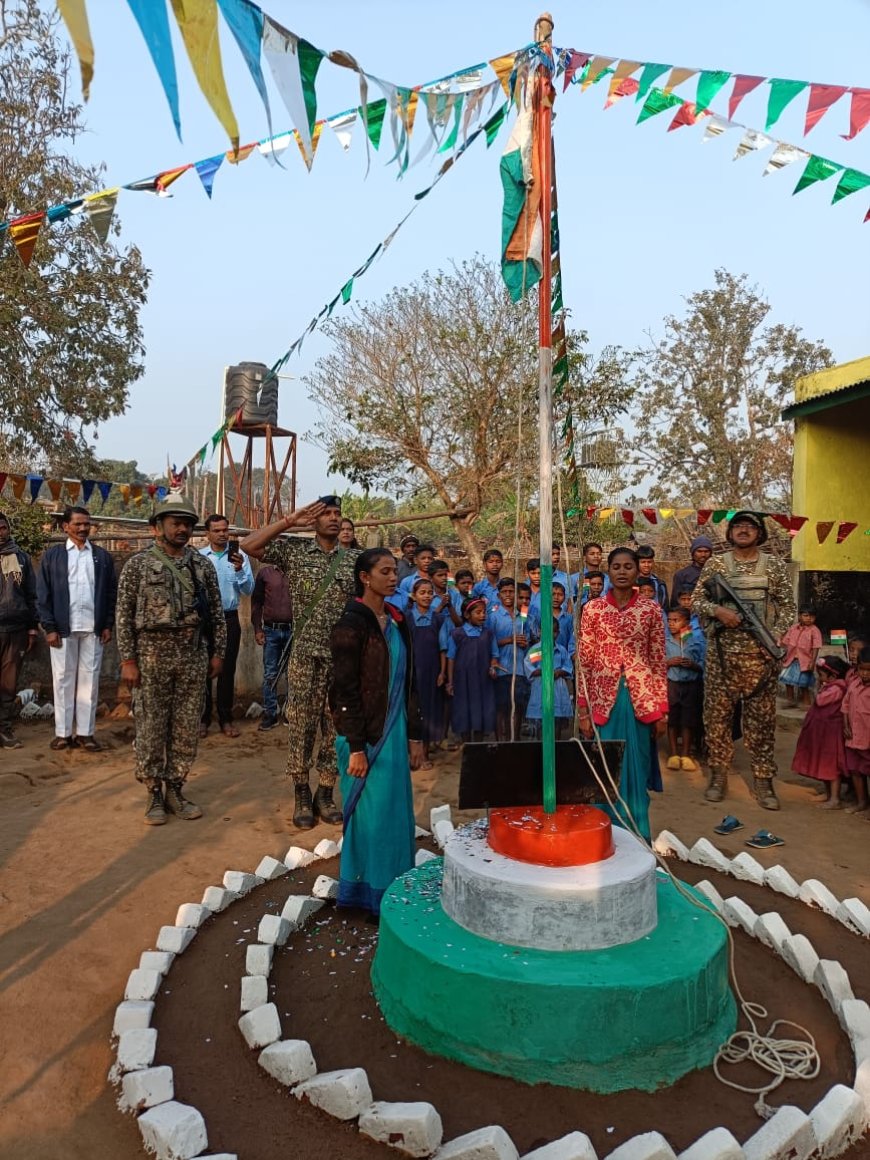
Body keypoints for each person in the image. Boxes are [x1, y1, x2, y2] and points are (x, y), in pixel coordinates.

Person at [240, 496, 359, 829]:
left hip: (341, 659)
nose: (334, 519)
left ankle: (325, 791)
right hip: (305, 656)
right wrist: (289, 520)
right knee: (302, 725)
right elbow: (249, 545)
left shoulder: (353, 560)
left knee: (335, 726)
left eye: (338, 514)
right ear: (315, 521)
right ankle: (302, 792)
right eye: (327, 514)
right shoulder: (293, 551)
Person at [115, 496, 226, 825]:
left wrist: (218, 652)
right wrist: (127, 660)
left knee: (186, 727)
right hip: (151, 657)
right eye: (175, 522)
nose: (182, 528)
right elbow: (123, 614)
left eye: (187, 524)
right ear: (157, 527)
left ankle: (176, 788)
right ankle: (153, 792)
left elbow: (217, 614)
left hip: (192, 656)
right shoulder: (138, 565)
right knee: (150, 728)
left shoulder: (201, 565)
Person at [329, 548, 424, 916]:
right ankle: (364, 895)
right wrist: (355, 747)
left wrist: (415, 737)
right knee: (373, 815)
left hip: (396, 733)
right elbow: (344, 689)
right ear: (364, 578)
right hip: (366, 737)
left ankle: (394, 885)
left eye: (394, 571)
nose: (393, 577)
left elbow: (411, 682)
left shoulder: (399, 621)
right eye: (384, 571)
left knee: (396, 813)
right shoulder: (350, 625)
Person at [692, 510, 795, 810]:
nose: (743, 530)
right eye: (738, 525)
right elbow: (698, 600)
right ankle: (718, 775)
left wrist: (775, 635)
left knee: (761, 723)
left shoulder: (773, 566)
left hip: (760, 660)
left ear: (760, 533)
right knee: (716, 720)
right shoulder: (715, 564)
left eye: (750, 526)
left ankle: (763, 780)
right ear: (730, 532)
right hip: (721, 658)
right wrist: (718, 612)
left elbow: (788, 607)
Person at [578, 547, 668, 842]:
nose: (621, 571)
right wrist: (583, 709)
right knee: (606, 766)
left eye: (628, 566)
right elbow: (585, 659)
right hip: (603, 699)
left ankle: (638, 835)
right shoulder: (592, 610)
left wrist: (661, 709)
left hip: (640, 699)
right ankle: (603, 834)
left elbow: (657, 659)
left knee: (636, 766)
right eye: (616, 566)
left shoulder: (650, 609)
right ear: (607, 570)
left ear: (637, 571)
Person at [36, 505, 117, 751]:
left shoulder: (102, 557)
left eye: (87, 523)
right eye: (78, 524)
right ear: (65, 526)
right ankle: (63, 733)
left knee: (89, 682)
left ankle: (85, 733)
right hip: (62, 629)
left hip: (93, 628)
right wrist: (48, 627)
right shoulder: (53, 556)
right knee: (62, 680)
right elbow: (43, 595)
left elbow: (111, 593)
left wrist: (107, 624)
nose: (83, 528)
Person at [199, 514, 255, 738]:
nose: (222, 534)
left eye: (225, 530)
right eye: (217, 530)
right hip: (203, 619)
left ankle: (225, 718)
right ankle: (203, 719)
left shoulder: (239, 557)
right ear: (208, 533)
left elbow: (248, 590)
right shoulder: (200, 557)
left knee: (227, 670)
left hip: (229, 618)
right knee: (201, 668)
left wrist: (240, 569)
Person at [0, 513, 38, 749]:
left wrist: (33, 628)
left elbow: (31, 595)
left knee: (9, 683)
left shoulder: (21, 557)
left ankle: (4, 729)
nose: (0, 532)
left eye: (3, 527)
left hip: (15, 630)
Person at [791, 656, 849, 808]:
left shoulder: (837, 688)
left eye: (822, 675)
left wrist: (819, 686)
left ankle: (835, 799)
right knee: (824, 764)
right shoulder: (831, 686)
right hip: (823, 731)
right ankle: (829, 794)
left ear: (833, 676)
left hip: (831, 733)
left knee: (831, 766)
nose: (819, 678)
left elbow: (820, 700)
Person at [445, 595, 498, 742]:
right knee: (464, 712)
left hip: (483, 680)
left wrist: (493, 667)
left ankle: (478, 745)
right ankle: (467, 744)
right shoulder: (457, 634)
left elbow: (494, 655)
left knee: (482, 711)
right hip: (463, 680)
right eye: (478, 612)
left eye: (484, 612)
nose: (483, 616)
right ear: (467, 615)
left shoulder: (488, 634)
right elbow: (451, 658)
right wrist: (450, 682)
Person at [406, 576, 446, 764]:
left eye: (430, 593)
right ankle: (412, 753)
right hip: (412, 671)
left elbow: (443, 648)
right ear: (414, 596)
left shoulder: (438, 618)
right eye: (422, 593)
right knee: (412, 709)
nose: (427, 596)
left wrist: (442, 672)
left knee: (429, 710)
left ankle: (425, 753)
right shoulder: (406, 618)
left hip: (432, 671)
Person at [251, 563, 293, 731]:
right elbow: (257, 603)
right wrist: (257, 628)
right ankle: (270, 714)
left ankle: (291, 713)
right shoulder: (265, 573)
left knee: (294, 674)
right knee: (270, 673)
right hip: (271, 630)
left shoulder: (297, 570)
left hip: (293, 630)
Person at [488, 577, 530, 741]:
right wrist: (510, 639)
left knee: (518, 707)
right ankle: (501, 742)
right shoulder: (494, 616)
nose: (508, 595)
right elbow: (489, 642)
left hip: (519, 667)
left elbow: (530, 641)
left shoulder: (524, 617)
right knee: (501, 708)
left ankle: (515, 740)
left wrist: (526, 642)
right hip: (501, 668)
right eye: (504, 592)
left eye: (511, 592)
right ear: (498, 595)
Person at [665, 606, 704, 772]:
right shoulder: (664, 642)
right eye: (669, 620)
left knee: (688, 720)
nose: (671, 624)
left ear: (687, 623)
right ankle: (673, 754)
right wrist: (668, 663)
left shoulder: (695, 642)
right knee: (672, 719)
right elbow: (656, 663)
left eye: (676, 620)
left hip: (690, 684)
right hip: (671, 684)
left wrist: (694, 665)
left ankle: (686, 754)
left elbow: (704, 664)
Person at [525, 619, 574, 740]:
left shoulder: (561, 650)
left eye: (554, 631)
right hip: (541, 687)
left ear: (558, 633)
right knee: (541, 721)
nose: (550, 634)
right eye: (546, 631)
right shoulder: (536, 651)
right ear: (539, 632)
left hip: (558, 688)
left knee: (556, 721)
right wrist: (545, 672)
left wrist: (558, 672)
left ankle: (556, 749)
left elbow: (568, 668)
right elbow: (530, 668)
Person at [842, 646, 870, 815]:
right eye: (862, 670)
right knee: (855, 770)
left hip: (867, 738)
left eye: (869, 670)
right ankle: (861, 802)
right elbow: (845, 706)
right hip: (853, 736)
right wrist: (845, 726)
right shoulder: (853, 685)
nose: (865, 674)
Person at [779, 607, 823, 706]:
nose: (809, 618)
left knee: (804, 683)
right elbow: (785, 642)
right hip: (791, 660)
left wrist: (812, 662)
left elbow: (816, 647)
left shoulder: (815, 630)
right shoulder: (793, 628)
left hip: (805, 661)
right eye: (806, 616)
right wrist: (780, 641)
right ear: (799, 616)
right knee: (788, 681)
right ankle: (790, 700)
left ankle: (806, 702)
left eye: (812, 616)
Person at [670, 536, 713, 607]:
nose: (703, 555)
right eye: (699, 551)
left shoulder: (716, 573)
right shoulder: (681, 575)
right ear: (693, 553)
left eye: (706, 551)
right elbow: (675, 602)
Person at [393, 544, 436, 609]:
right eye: (423, 558)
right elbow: (403, 602)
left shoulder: (438, 580)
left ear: (433, 560)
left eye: (430, 558)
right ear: (416, 560)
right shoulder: (406, 582)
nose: (427, 561)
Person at [636, 545, 668, 609]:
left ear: (653, 562)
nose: (646, 565)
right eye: (643, 562)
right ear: (637, 563)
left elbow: (665, 608)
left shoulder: (660, 584)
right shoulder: (631, 583)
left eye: (649, 562)